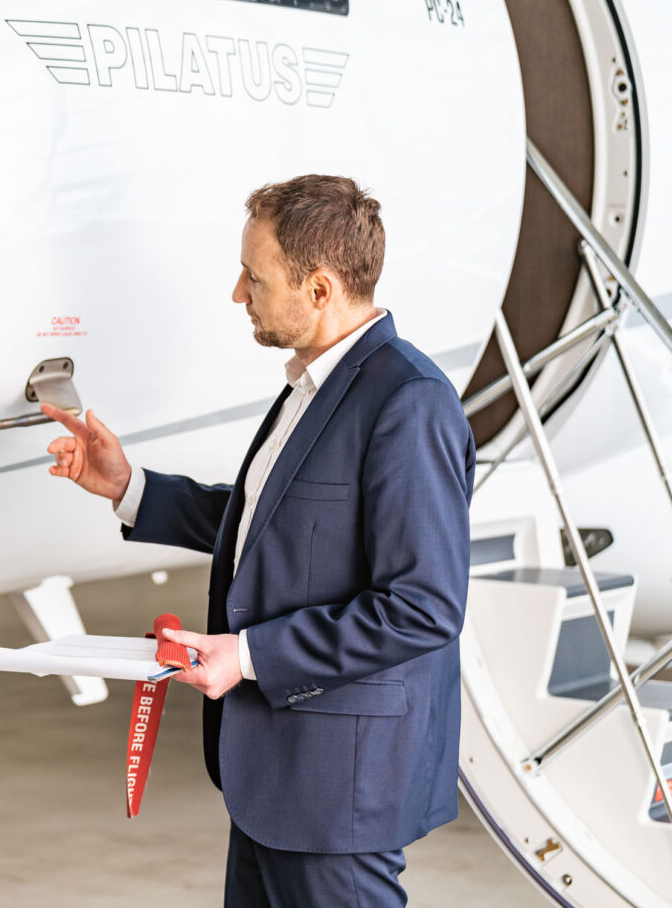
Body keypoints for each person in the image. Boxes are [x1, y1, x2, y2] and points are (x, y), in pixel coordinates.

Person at [43, 175, 474, 907]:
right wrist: (130, 486)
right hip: (273, 778)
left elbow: (423, 606)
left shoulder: (409, 402)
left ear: (319, 288)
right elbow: (271, 526)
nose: (237, 293)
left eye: (254, 276)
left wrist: (247, 655)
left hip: (338, 791)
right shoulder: (311, 384)